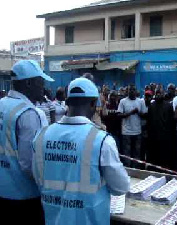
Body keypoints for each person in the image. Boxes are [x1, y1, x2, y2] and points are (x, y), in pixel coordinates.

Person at [32, 78, 130, 225]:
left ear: (67, 102)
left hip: (54, 219)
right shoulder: (101, 139)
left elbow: (38, 179)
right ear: (93, 103)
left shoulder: (42, 136)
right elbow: (120, 187)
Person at [0, 60, 54, 224]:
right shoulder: (29, 113)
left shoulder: (2, 105)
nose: (43, 87)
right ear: (29, 83)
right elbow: (30, 165)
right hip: (24, 197)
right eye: (40, 81)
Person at [117, 84, 147, 168]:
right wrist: (130, 113)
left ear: (136, 91)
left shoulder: (140, 101)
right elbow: (119, 115)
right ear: (127, 91)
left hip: (137, 131)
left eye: (133, 90)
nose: (132, 91)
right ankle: (128, 170)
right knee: (127, 153)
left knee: (137, 153)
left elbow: (145, 115)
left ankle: (136, 170)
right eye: (130, 90)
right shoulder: (123, 101)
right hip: (126, 132)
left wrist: (138, 113)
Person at [147, 87, 175, 170]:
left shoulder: (168, 106)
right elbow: (149, 122)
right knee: (154, 157)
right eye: (157, 93)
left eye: (160, 93)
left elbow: (171, 122)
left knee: (165, 158)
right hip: (154, 137)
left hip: (166, 137)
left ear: (163, 93)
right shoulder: (151, 106)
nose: (158, 94)